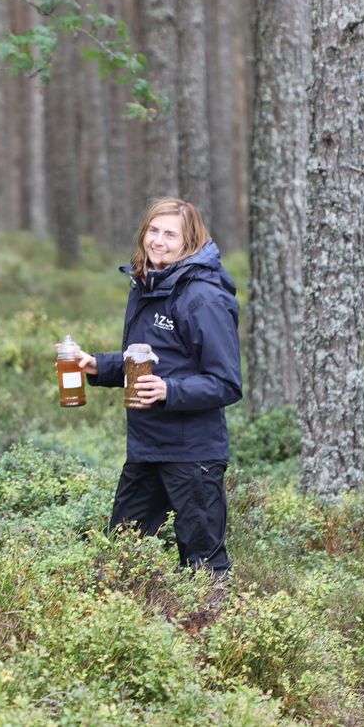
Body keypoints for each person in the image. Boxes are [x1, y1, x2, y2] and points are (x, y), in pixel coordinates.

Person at [68, 198, 241, 576]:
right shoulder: (147, 284)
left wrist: (169, 391)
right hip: (147, 449)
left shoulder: (203, 296)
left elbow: (226, 383)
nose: (158, 241)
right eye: (153, 230)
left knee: (204, 567)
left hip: (192, 454)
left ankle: (214, 631)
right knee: (120, 557)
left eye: (170, 234)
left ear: (189, 242)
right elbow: (151, 359)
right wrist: (99, 365)